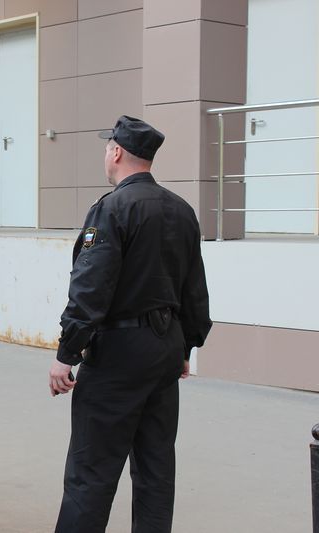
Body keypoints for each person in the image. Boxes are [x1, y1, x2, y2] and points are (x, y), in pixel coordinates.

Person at [48, 115, 213, 533]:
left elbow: (90, 287)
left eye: (107, 148)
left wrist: (67, 353)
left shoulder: (111, 209)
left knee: (91, 472)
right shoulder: (182, 211)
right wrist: (184, 347)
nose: (106, 155)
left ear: (117, 152)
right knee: (156, 472)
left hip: (118, 353)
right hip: (164, 349)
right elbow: (194, 289)